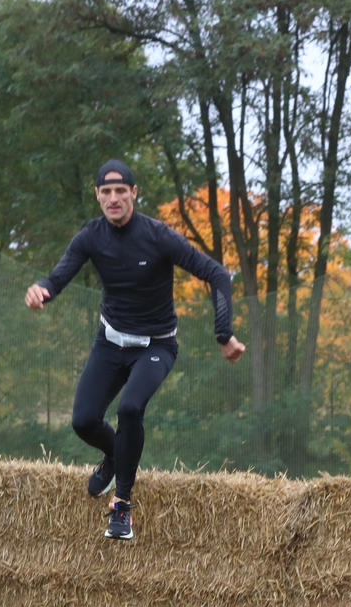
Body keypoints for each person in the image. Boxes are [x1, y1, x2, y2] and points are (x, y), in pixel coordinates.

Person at [25, 160, 245, 539]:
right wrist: (42, 289)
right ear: (98, 196)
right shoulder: (91, 236)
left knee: (129, 408)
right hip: (110, 342)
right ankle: (115, 456)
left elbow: (217, 274)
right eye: (106, 192)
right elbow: (59, 277)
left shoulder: (158, 236)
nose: (114, 198)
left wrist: (224, 333)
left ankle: (122, 505)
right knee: (83, 421)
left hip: (155, 346)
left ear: (133, 193)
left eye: (120, 191)